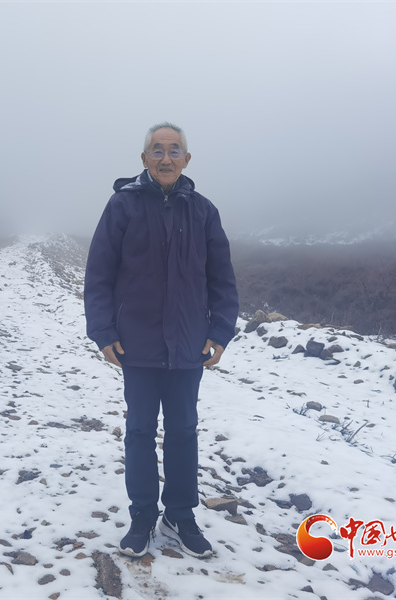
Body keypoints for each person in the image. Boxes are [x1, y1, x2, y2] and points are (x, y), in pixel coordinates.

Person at [84, 122, 239, 559]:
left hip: (189, 345)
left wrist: (220, 331)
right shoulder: (123, 206)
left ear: (186, 160)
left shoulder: (204, 211)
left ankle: (180, 514)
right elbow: (99, 273)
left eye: (174, 150)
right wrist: (103, 332)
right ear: (144, 159)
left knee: (183, 431)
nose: (166, 158)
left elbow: (222, 278)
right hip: (136, 344)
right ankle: (142, 515)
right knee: (139, 431)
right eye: (157, 150)